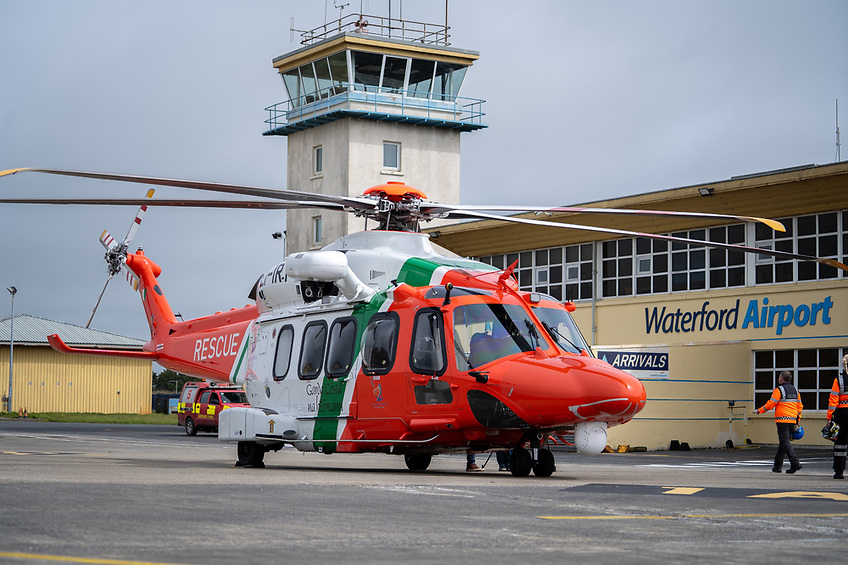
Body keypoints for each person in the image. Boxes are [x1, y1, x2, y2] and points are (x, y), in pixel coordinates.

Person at [756, 371, 803, 474]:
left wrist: (760, 410)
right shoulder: (796, 390)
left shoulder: (779, 390)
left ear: (781, 378)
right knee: (783, 443)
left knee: (785, 442)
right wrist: (797, 420)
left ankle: (795, 463)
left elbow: (771, 404)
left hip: (782, 420)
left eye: (779, 377)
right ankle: (777, 466)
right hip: (792, 420)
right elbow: (799, 406)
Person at [826, 353, 848, 479]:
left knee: (840, 443)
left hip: (842, 413)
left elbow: (833, 400)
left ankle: (839, 471)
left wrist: (829, 417)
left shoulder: (839, 380)